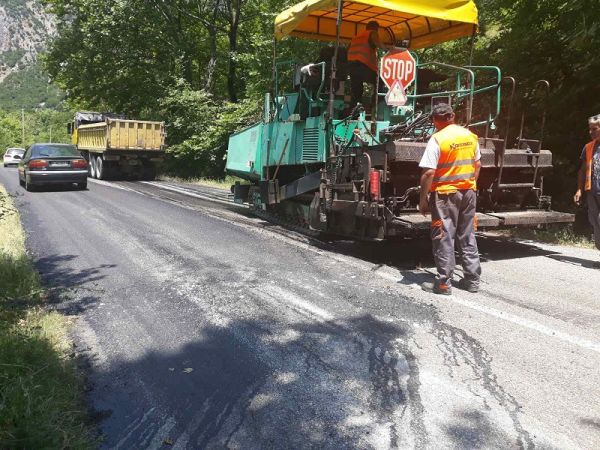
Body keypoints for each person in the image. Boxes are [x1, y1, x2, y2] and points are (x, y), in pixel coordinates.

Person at [418, 103, 482, 295]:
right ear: (452, 116)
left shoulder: (437, 139)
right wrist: (469, 183)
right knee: (467, 234)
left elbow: (429, 173)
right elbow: (477, 164)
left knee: (443, 236)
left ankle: (444, 283)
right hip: (468, 192)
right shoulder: (470, 136)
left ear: (435, 120)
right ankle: (472, 280)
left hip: (446, 195)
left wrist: (423, 199)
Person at [574, 114, 600, 259]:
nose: (591, 132)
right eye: (589, 129)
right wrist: (579, 189)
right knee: (595, 223)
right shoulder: (588, 147)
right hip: (592, 192)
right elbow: (582, 170)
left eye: (594, 129)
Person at [347, 21, 387, 107]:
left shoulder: (356, 37)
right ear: (375, 28)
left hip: (352, 66)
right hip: (364, 65)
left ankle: (355, 110)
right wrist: (388, 50)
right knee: (379, 82)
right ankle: (375, 105)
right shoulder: (372, 33)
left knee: (356, 89)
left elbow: (348, 50)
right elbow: (379, 45)